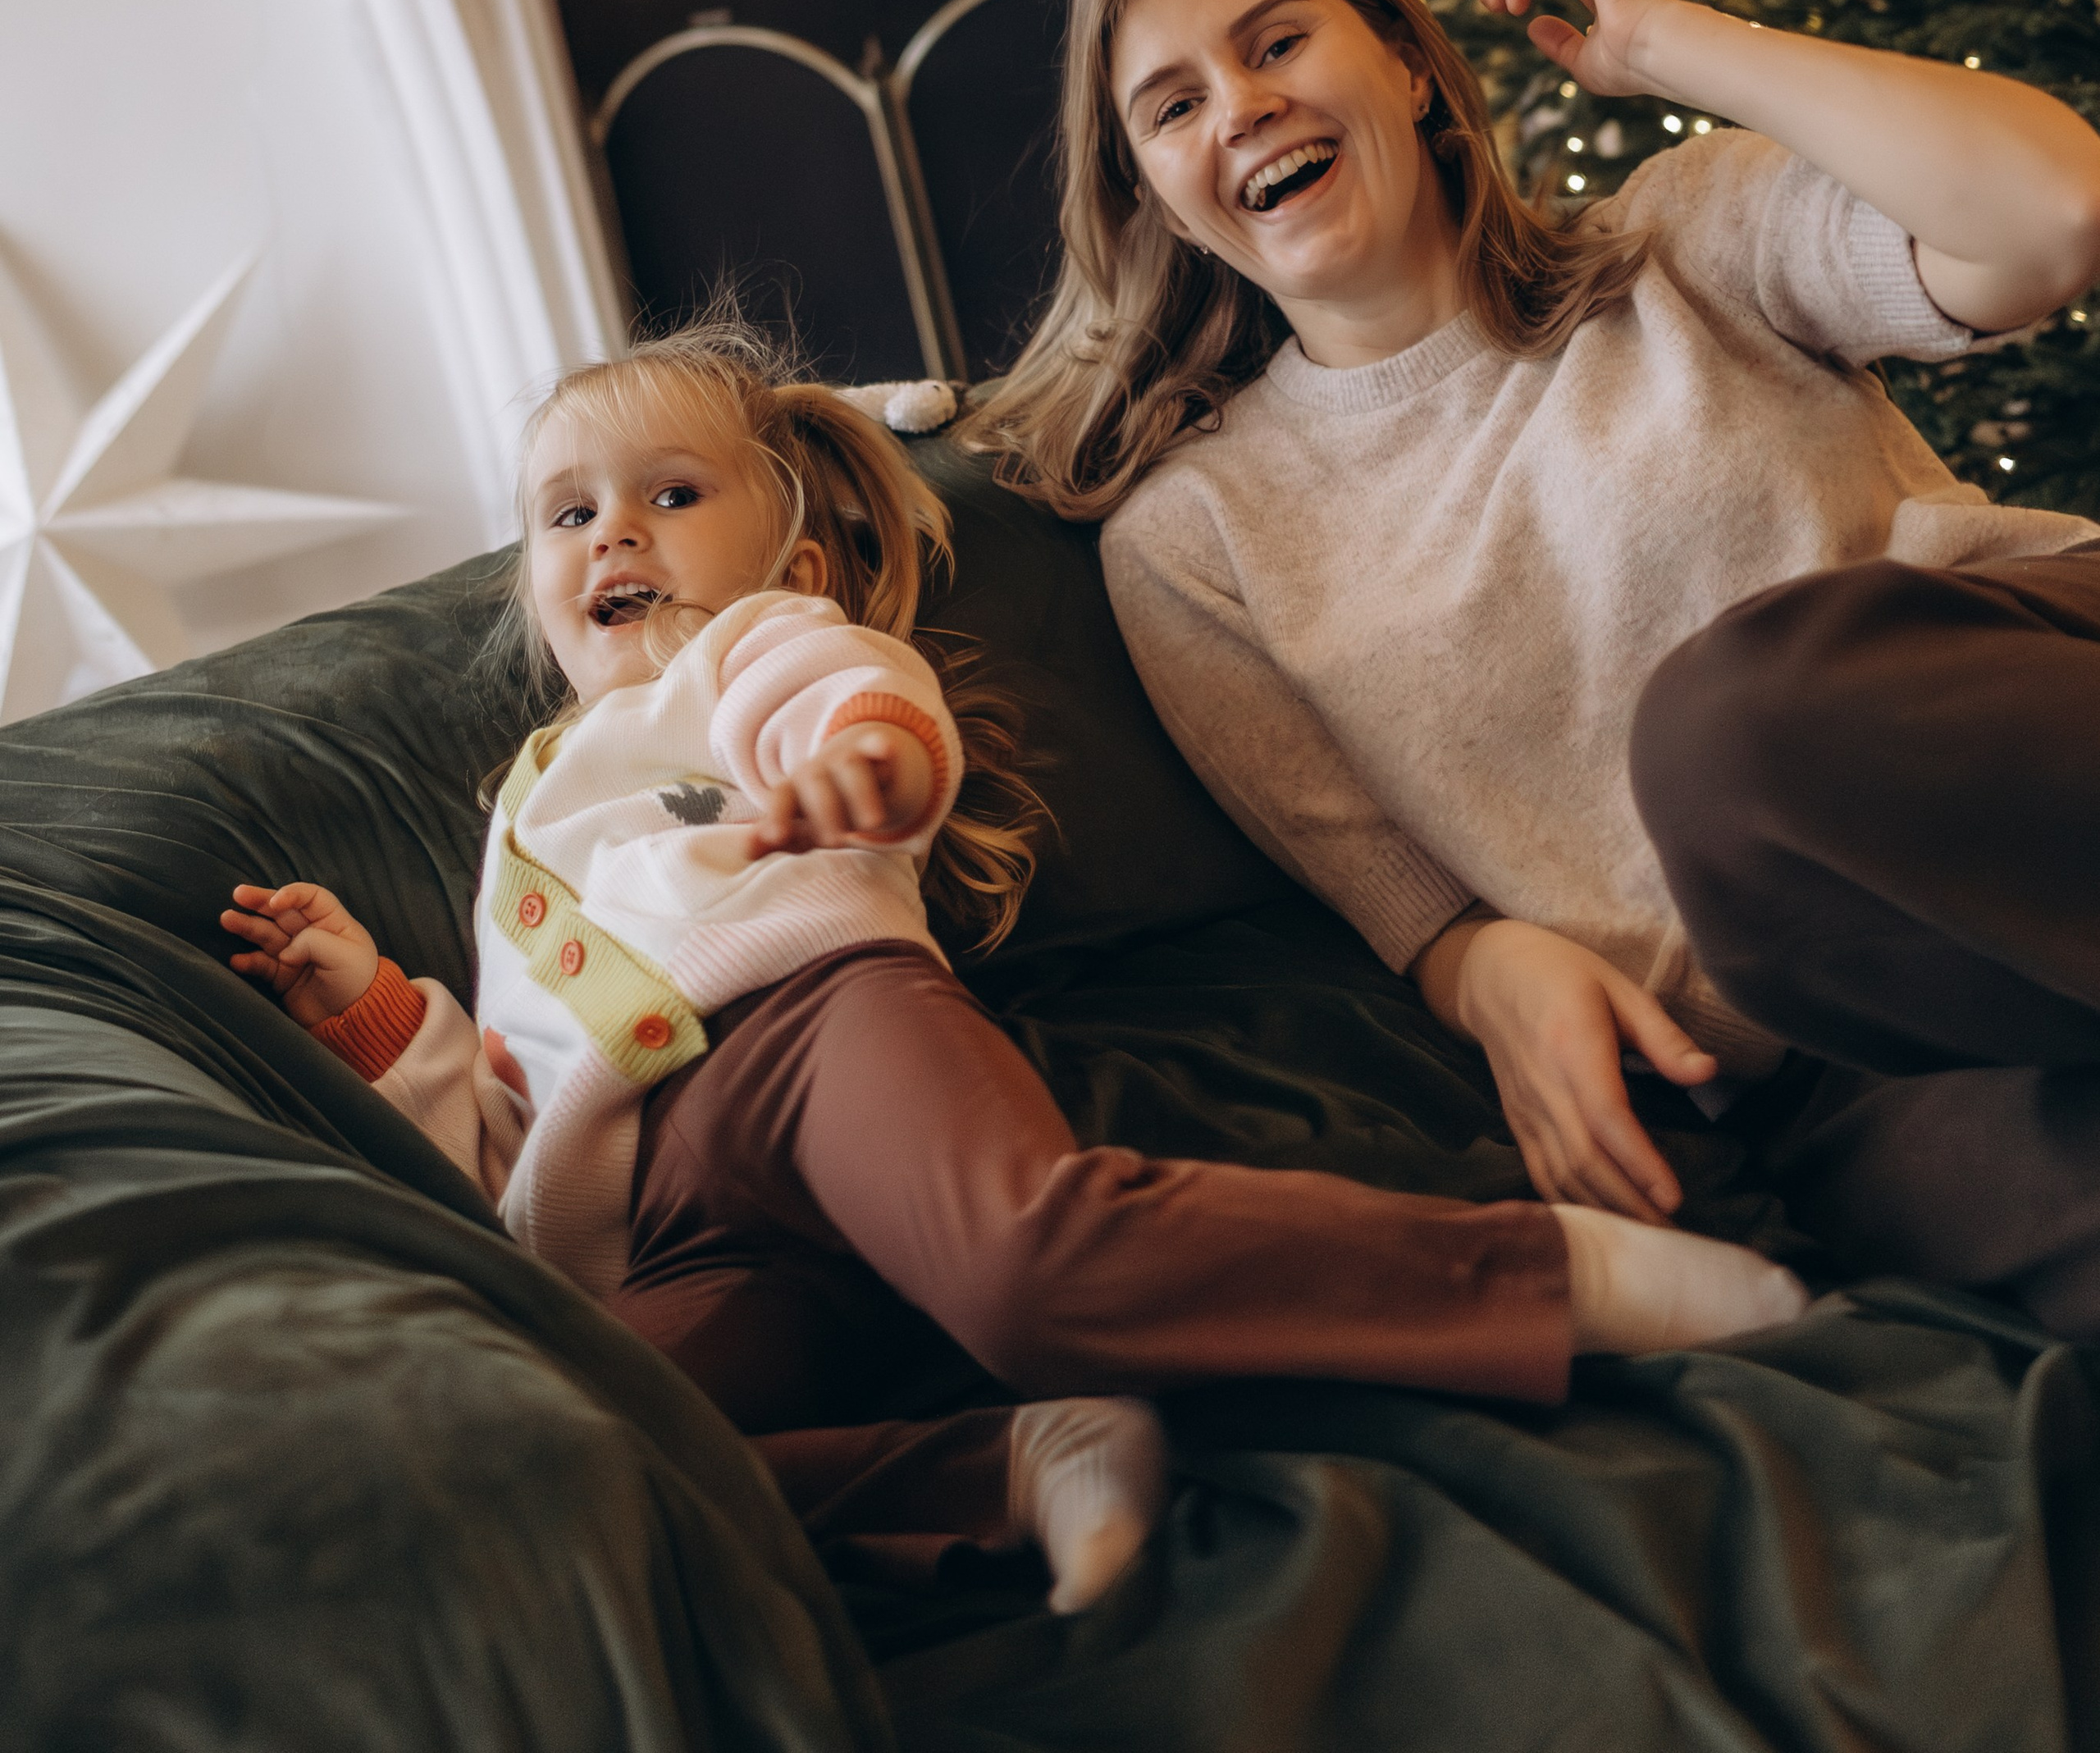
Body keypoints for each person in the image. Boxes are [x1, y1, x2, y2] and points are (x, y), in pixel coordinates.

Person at [222, 321, 1800, 1612]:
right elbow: (511, 1146)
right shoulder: (520, 817)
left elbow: (873, 719)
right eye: (568, 515)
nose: (613, 533)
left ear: (798, 557)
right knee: (578, 1451)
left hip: (819, 1024)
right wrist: (377, 1011)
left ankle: (1550, 1278)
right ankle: (1015, 1468)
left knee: (1030, 1264)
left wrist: (870, 776)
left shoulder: (755, 651)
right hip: (663, 1224)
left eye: (669, 494)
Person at [977, 0, 2100, 1328]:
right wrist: (1483, 965)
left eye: (1275, 42)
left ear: (1408, 63)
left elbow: (2056, 213)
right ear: (1164, 207)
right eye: (1173, 106)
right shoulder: (1195, 542)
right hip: (1839, 1054)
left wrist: (1667, 44)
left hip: (2040, 742)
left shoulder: (1679, 241)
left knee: (1732, 734)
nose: (1239, 107)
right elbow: (1405, 902)